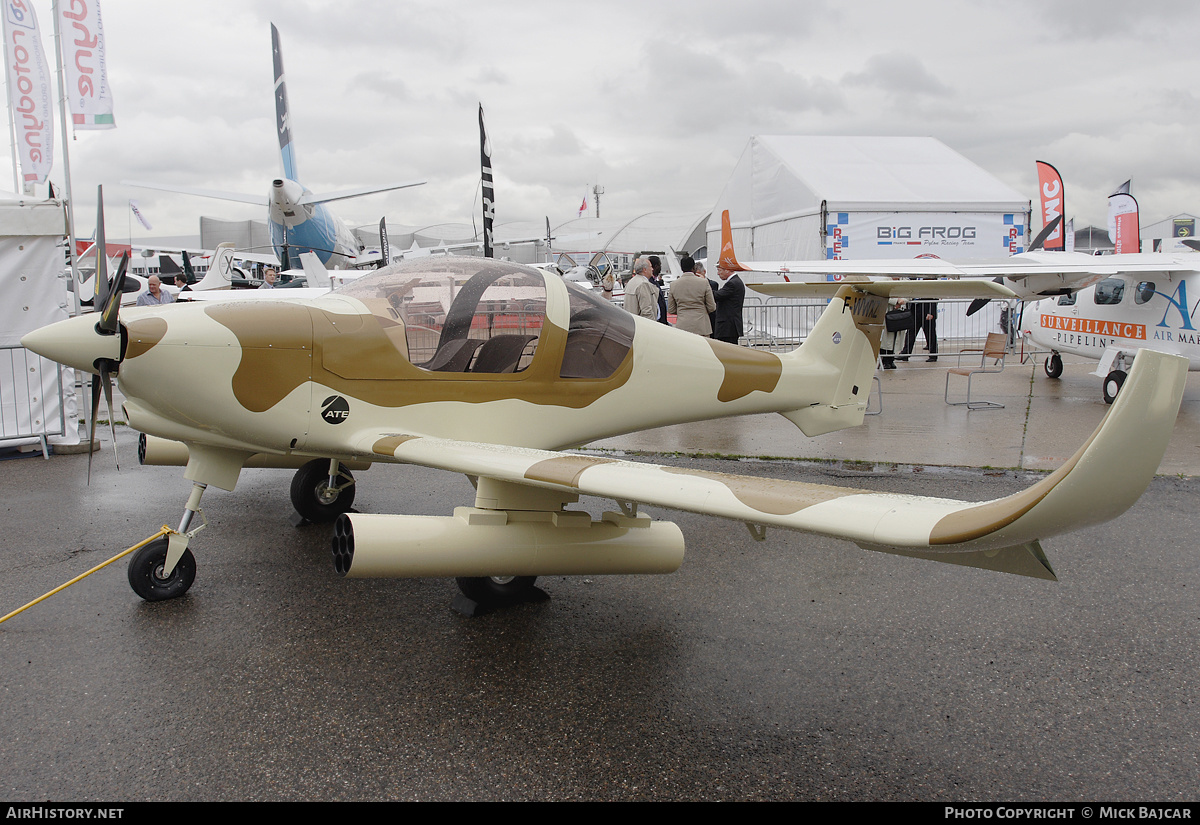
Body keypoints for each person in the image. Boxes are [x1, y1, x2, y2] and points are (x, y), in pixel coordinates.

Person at [667, 255, 716, 335]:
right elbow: (712, 307)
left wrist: (681, 310)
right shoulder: (703, 282)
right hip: (701, 325)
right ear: (694, 268)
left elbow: (671, 309)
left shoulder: (673, 285)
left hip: (682, 325)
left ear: (682, 268)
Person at [900, 295, 938, 362]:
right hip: (914, 310)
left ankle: (933, 355)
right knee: (910, 333)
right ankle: (905, 354)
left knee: (930, 334)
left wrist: (931, 312)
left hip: (926, 310)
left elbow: (934, 298)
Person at [713, 266, 745, 345]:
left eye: (719, 270)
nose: (718, 273)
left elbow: (717, 295)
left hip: (728, 327)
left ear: (727, 270)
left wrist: (704, 284)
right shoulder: (735, 282)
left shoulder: (732, 283)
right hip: (730, 326)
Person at [698, 261, 718, 336]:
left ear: (704, 272)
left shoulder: (713, 284)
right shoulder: (694, 284)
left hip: (710, 316)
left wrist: (704, 282)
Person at [648, 255, 669, 324]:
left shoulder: (654, 282)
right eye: (660, 265)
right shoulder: (650, 283)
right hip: (657, 321)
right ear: (656, 266)